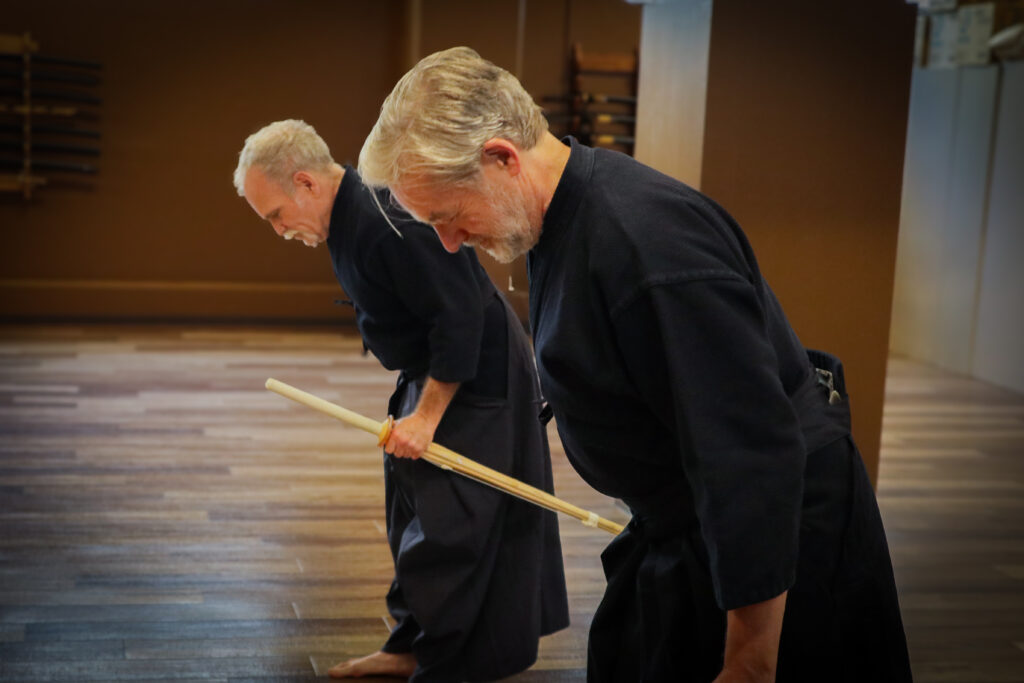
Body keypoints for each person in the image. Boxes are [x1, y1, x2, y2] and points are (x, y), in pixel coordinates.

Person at [357, 48, 913, 683]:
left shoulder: (648, 247)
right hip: (687, 523)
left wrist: (752, 659)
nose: (450, 243)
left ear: (501, 159)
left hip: (779, 543)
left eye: (449, 217)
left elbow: (749, 453)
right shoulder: (557, 216)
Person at [233, 119, 569, 682]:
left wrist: (428, 416)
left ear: (306, 183)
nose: (278, 230)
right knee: (410, 508)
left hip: (475, 375)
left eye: (275, 215)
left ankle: (451, 662)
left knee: (451, 526)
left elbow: (458, 314)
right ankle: (412, 645)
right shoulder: (348, 219)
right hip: (432, 370)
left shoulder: (386, 218)